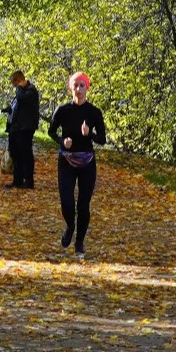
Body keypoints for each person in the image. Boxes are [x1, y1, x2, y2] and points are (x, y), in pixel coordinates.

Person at [47, 72, 105, 255]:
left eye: (82, 85)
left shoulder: (94, 112)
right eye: (76, 85)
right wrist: (62, 141)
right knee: (66, 202)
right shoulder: (62, 110)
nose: (79, 89)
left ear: (87, 88)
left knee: (83, 204)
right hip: (66, 160)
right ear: (70, 87)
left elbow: (102, 140)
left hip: (87, 161)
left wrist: (90, 134)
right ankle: (70, 227)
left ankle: (79, 241)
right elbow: (51, 132)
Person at [4, 70, 41, 189]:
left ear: (18, 80)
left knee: (25, 154)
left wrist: (20, 88)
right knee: (15, 154)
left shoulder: (31, 90)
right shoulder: (22, 91)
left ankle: (29, 181)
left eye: (14, 83)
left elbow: (22, 99)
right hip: (16, 127)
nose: (14, 86)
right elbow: (18, 105)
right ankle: (17, 180)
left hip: (24, 128)